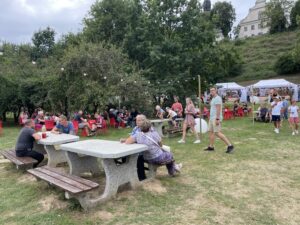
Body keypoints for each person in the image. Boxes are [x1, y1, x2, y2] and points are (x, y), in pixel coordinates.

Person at [204, 87, 234, 153]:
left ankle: (230, 145)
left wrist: (217, 119)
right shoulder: (213, 98)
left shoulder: (218, 98)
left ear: (216, 91)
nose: (211, 92)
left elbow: (218, 109)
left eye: (213, 90)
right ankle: (211, 147)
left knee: (217, 133)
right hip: (212, 118)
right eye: (210, 91)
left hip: (215, 118)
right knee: (211, 132)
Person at [120, 114, 149, 181]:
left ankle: (141, 177)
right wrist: (126, 139)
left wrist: (127, 140)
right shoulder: (135, 128)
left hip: (143, 150)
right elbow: (131, 138)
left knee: (138, 156)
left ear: (144, 121)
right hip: (133, 148)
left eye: (139, 120)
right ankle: (127, 174)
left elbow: (134, 140)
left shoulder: (145, 129)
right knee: (124, 156)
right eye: (136, 120)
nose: (137, 122)